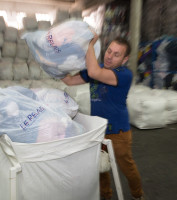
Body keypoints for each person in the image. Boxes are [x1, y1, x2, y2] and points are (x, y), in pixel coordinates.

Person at [61, 33, 145, 200]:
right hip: (98, 129)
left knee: (126, 166)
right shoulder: (98, 68)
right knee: (100, 166)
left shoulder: (124, 74)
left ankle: (138, 195)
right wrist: (53, 65)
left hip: (118, 132)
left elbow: (93, 72)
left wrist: (89, 44)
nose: (109, 57)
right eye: (109, 51)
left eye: (116, 54)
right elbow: (69, 81)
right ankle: (106, 195)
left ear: (125, 59)